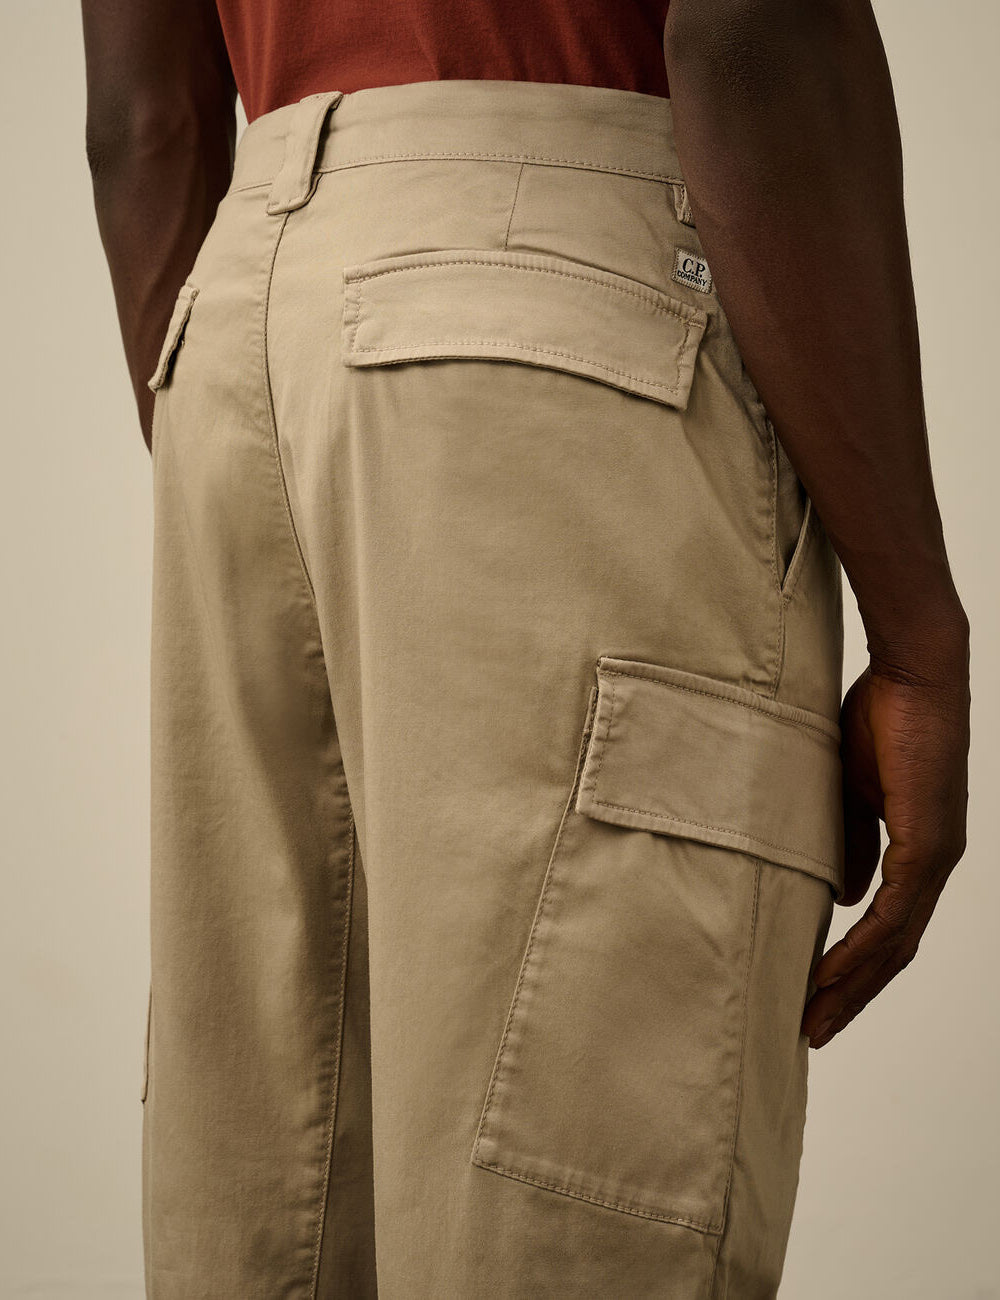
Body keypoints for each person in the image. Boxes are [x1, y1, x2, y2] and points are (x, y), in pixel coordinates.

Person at [81, 0, 971, 1295]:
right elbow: (748, 31)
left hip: (238, 321)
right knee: (562, 1239)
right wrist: (919, 637)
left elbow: (142, 123)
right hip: (558, 295)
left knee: (269, 1218)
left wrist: (257, 430)